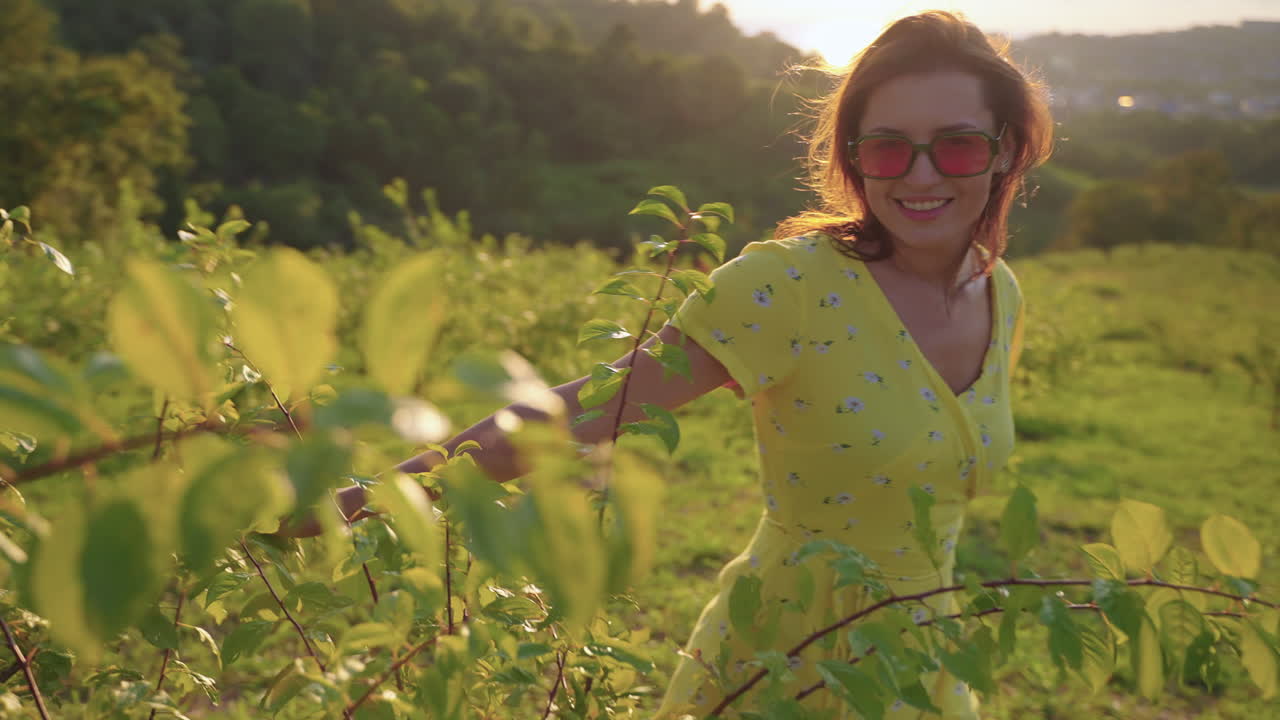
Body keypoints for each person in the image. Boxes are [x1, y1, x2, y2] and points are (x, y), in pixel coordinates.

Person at [303, 9, 1053, 717]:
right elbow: (582, 410)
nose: (919, 176)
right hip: (785, 653)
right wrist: (351, 502)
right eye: (888, 147)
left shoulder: (999, 291)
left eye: (956, 145)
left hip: (919, 654)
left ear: (1007, 150)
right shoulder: (791, 286)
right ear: (854, 160)